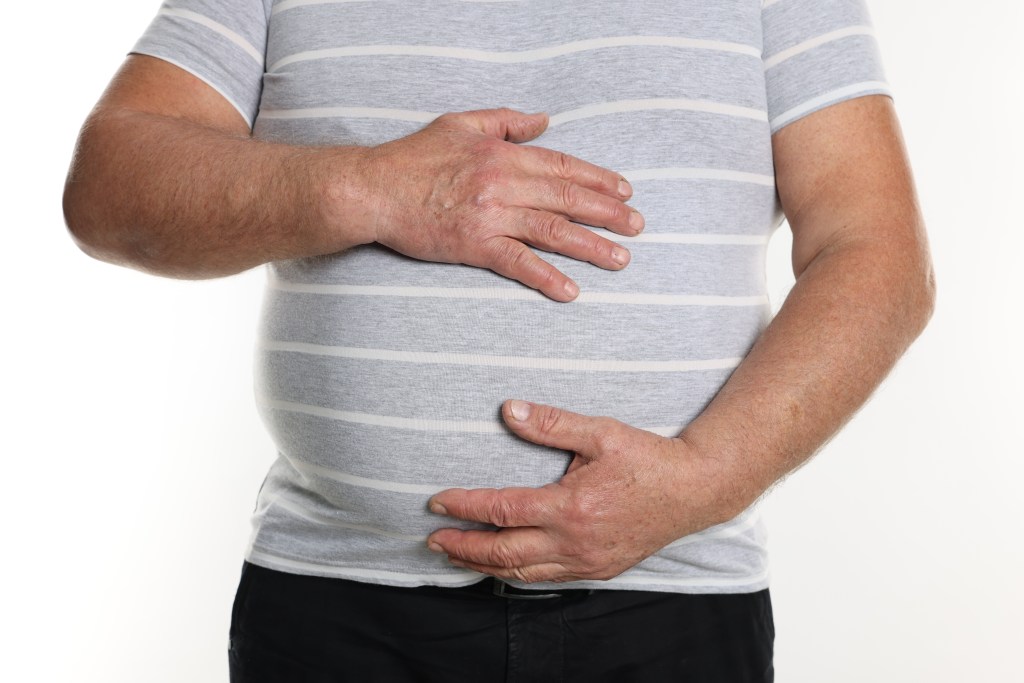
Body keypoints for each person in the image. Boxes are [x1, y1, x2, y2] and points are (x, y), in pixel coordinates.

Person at [63, 0, 934, 680]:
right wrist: (368, 189)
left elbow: (877, 254)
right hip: (335, 607)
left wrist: (703, 478)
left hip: (669, 605)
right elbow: (110, 186)